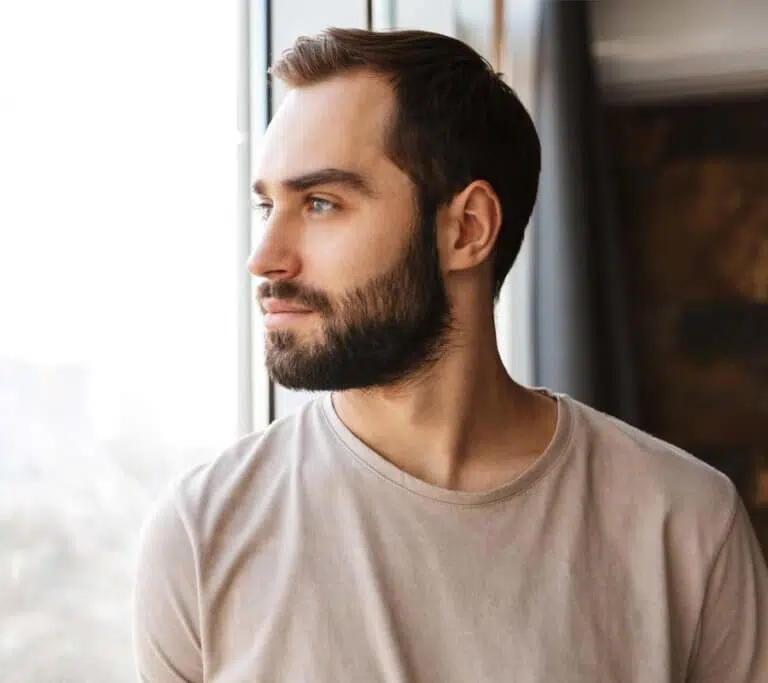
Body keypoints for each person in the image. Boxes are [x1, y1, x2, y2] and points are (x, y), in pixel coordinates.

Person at [132, 28, 768, 682]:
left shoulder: (685, 523)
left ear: (466, 229)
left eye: (320, 203)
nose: (264, 257)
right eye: (268, 205)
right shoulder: (201, 535)